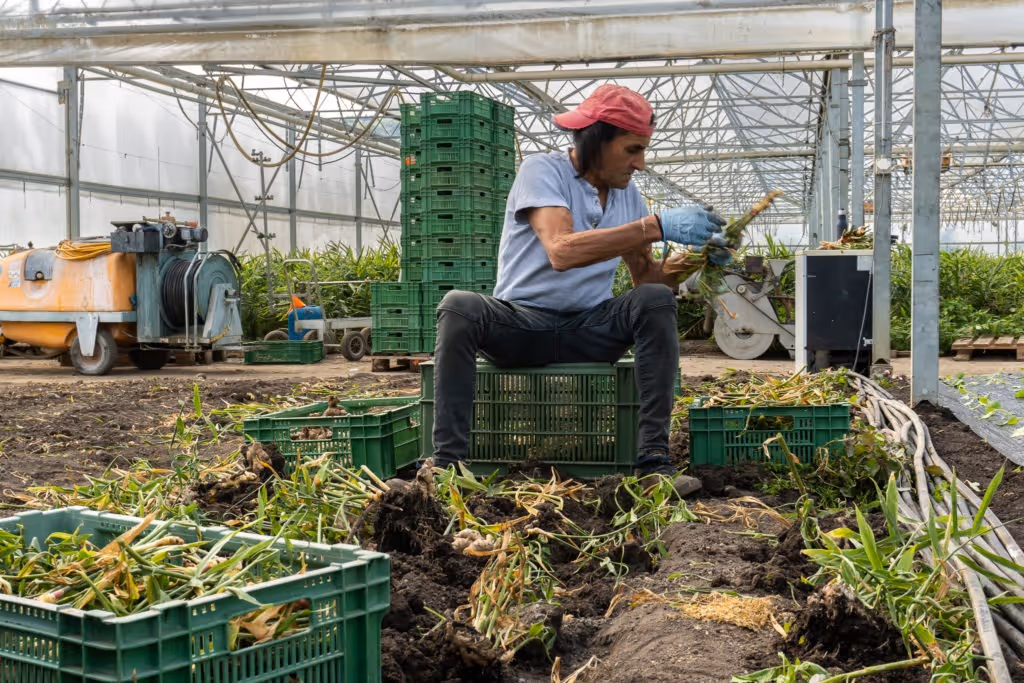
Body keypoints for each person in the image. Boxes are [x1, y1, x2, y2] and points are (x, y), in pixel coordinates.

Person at [431, 84, 730, 477]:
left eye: (643, 150)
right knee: (459, 307)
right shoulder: (543, 170)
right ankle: (446, 466)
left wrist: (696, 259)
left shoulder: (628, 196)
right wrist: (655, 226)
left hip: (588, 328)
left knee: (655, 298)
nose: (640, 163)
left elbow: (646, 278)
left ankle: (654, 461)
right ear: (595, 143)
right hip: (522, 326)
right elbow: (561, 250)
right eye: (632, 149)